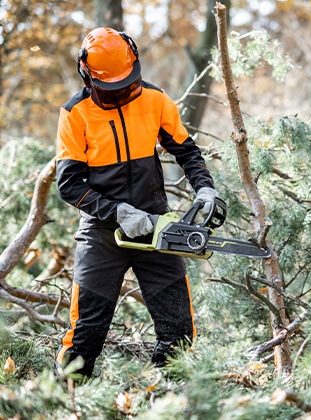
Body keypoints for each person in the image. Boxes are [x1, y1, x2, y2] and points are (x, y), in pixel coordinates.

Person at [55, 27, 220, 378]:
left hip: (155, 228)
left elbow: (187, 152)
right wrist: (116, 212)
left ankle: (162, 401)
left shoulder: (155, 100)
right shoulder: (76, 114)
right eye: (112, 87)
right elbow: (69, 185)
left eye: (127, 83)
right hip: (102, 233)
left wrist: (205, 188)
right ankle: (65, 401)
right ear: (87, 75)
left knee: (178, 332)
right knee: (85, 335)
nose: (122, 92)